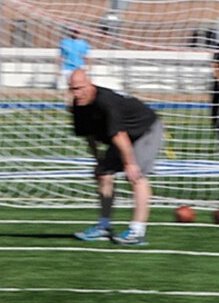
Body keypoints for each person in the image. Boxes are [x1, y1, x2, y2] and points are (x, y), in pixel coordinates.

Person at [66, 68, 160, 246]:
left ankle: (137, 231)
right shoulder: (77, 107)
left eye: (80, 88)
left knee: (136, 176)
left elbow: (119, 135)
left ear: (90, 84)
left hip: (144, 130)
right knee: (103, 173)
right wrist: (98, 160)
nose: (77, 93)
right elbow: (89, 136)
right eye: (73, 89)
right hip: (122, 136)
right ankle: (104, 226)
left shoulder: (106, 102)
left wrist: (130, 164)